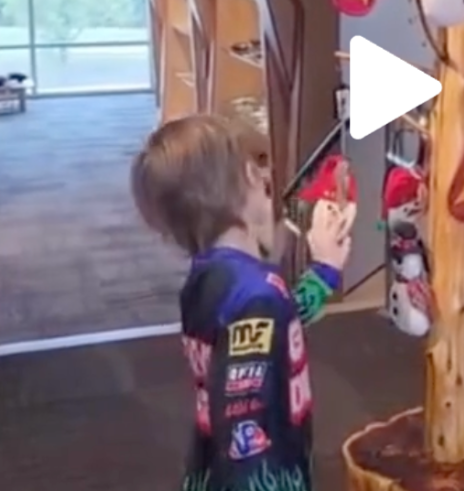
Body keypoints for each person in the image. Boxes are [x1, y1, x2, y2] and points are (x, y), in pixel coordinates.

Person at [130, 114, 354, 491]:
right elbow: (246, 431)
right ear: (248, 178)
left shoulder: (215, 277)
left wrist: (324, 271)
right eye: (256, 165)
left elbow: (278, 324)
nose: (264, 174)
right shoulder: (255, 295)